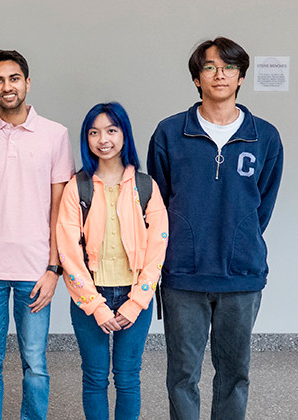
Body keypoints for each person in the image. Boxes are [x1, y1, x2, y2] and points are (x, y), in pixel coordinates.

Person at [147, 37, 283, 420]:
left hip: (242, 276)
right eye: (210, 67)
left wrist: (241, 241)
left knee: (235, 374)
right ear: (196, 78)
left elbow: (263, 205)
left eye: (229, 67)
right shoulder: (170, 133)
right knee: (182, 376)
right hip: (183, 275)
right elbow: (159, 202)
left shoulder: (266, 137)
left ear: (240, 77)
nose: (220, 74)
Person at [0, 49, 74, 420]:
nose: (6, 86)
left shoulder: (55, 135)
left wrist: (54, 268)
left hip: (36, 267)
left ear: (27, 82)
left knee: (35, 364)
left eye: (13, 78)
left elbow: (60, 209)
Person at [56, 103, 168, 419]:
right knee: (94, 377)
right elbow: (68, 252)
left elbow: (157, 249)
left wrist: (136, 303)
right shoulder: (77, 187)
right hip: (90, 296)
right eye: (94, 132)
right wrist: (95, 304)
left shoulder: (146, 186)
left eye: (111, 130)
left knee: (128, 377)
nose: (103, 139)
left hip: (135, 295)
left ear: (124, 135)